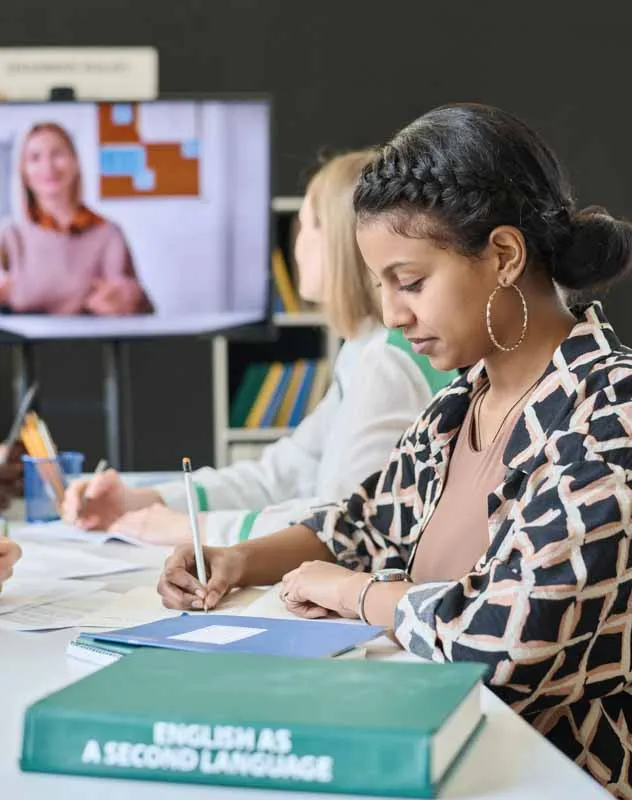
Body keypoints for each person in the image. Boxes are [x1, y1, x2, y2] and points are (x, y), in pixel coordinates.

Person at [157, 104, 632, 797]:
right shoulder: (456, 406)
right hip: (431, 751)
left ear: (503, 255)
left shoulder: (612, 412)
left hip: (550, 776)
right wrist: (238, 560)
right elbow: (360, 522)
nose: (391, 313)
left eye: (410, 282)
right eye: (382, 284)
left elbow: (504, 643)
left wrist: (359, 594)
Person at [62, 150, 457, 546]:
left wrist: (192, 532)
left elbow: (342, 526)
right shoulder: (363, 349)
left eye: (307, 226)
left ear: (338, 241)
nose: (296, 245)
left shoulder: (387, 360)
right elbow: (282, 473)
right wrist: (144, 500)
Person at [0, 122, 153, 315]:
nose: (47, 166)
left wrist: (131, 300)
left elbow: (143, 312)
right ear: (24, 172)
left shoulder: (108, 234)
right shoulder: (10, 236)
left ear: (75, 163)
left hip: (90, 343)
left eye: (57, 154)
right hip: (25, 345)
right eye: (35, 158)